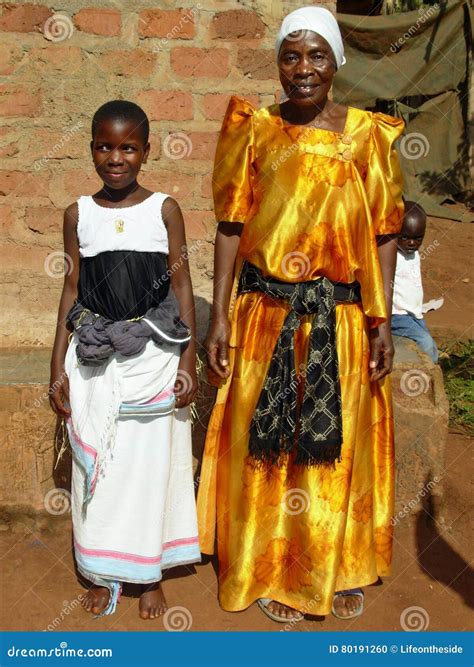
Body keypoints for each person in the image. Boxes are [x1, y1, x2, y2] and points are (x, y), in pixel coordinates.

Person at [197, 6, 405, 623]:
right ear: (278, 64)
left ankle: (332, 566)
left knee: (332, 448)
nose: (303, 69)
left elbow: (386, 232)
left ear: (336, 61)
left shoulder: (371, 136)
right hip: (266, 314)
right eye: (291, 55)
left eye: (316, 55)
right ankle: (264, 568)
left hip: (338, 318)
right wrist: (221, 318)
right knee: (267, 446)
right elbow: (231, 227)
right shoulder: (254, 129)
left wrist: (382, 319)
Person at [49, 100, 201, 619]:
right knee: (101, 471)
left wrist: (188, 361)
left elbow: (181, 284)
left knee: (150, 466)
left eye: (128, 148)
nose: (117, 158)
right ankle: (101, 570)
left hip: (153, 355)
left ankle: (149, 573)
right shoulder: (78, 214)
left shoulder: (164, 209)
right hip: (93, 358)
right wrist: (56, 370)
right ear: (92, 148)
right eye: (105, 147)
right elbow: (71, 289)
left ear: (146, 151)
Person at [391, 201, 438, 363]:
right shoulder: (391, 256)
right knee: (425, 341)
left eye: (418, 238)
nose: (412, 243)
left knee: (430, 343)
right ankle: (428, 375)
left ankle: (433, 373)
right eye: (405, 237)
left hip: (414, 313)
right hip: (396, 314)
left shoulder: (414, 254)